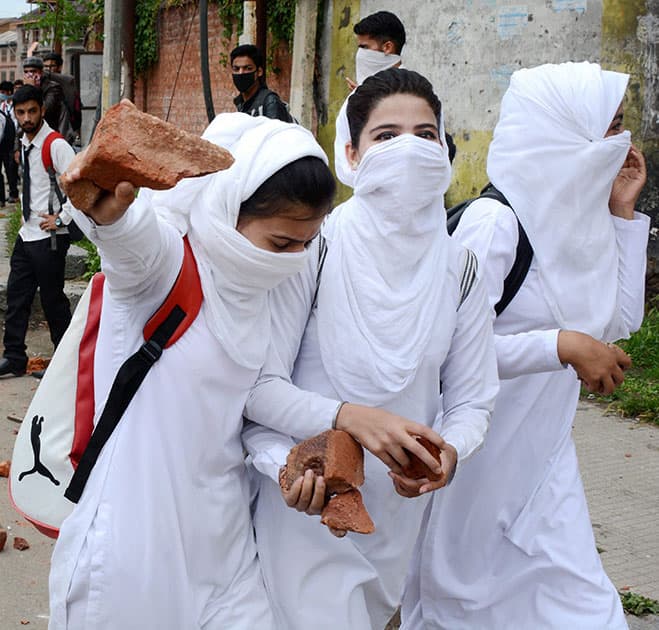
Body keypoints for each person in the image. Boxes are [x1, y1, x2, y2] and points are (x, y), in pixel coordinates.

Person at [46, 111, 411, 629]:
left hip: (226, 548)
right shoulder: (169, 266)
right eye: (282, 244)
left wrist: (292, 462)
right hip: (131, 550)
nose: (295, 260)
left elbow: (253, 399)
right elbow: (132, 243)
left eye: (307, 244)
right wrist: (110, 216)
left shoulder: (260, 293)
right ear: (230, 207)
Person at [242, 68, 498, 629]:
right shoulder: (316, 249)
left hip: (398, 517)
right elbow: (257, 388)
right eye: (386, 136)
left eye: (425, 134)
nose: (409, 147)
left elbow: (472, 399)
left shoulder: (462, 268)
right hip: (304, 506)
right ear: (352, 155)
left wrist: (449, 453)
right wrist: (341, 427)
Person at [400, 61, 649, 630]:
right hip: (479, 454)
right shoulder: (495, 224)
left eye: (620, 126)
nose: (620, 142)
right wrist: (557, 346)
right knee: (468, 601)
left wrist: (623, 213)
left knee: (585, 605)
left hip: (544, 460)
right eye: (607, 128)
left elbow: (618, 325)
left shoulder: (580, 217)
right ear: (563, 132)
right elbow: (446, 354)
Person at [0, 86, 76, 378]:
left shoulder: (55, 145)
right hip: (27, 234)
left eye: (32, 111)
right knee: (17, 298)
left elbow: (79, 183)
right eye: (21, 113)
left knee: (53, 300)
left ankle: (65, 363)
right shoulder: (23, 141)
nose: (27, 117)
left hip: (50, 237)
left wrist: (62, 218)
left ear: (42, 110)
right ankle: (15, 357)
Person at [334, 11, 455, 187]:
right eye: (386, 136)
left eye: (364, 47)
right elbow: (346, 166)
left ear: (387, 47)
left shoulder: (420, 94)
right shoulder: (356, 100)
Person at [230, 44, 293, 122]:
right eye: (236, 69)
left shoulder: (270, 102)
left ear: (259, 72)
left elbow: (274, 132)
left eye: (248, 68)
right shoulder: (240, 102)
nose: (241, 73)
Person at [22, 56, 73, 144]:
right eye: (26, 72)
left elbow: (45, 110)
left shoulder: (53, 88)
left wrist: (32, 89)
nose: (29, 75)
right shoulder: (25, 89)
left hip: (50, 136)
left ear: (41, 72)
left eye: (33, 71)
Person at [43, 52, 82, 141]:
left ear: (60, 67)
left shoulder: (67, 82)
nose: (48, 70)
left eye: (51, 66)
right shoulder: (43, 85)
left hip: (64, 130)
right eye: (45, 67)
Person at [0, 80, 19, 205]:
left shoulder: (15, 106)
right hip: (3, 142)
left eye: (3, 92)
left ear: (9, 92)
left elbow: (17, 123)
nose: (1, 95)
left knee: (11, 168)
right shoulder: (2, 106)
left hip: (13, 140)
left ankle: (14, 193)